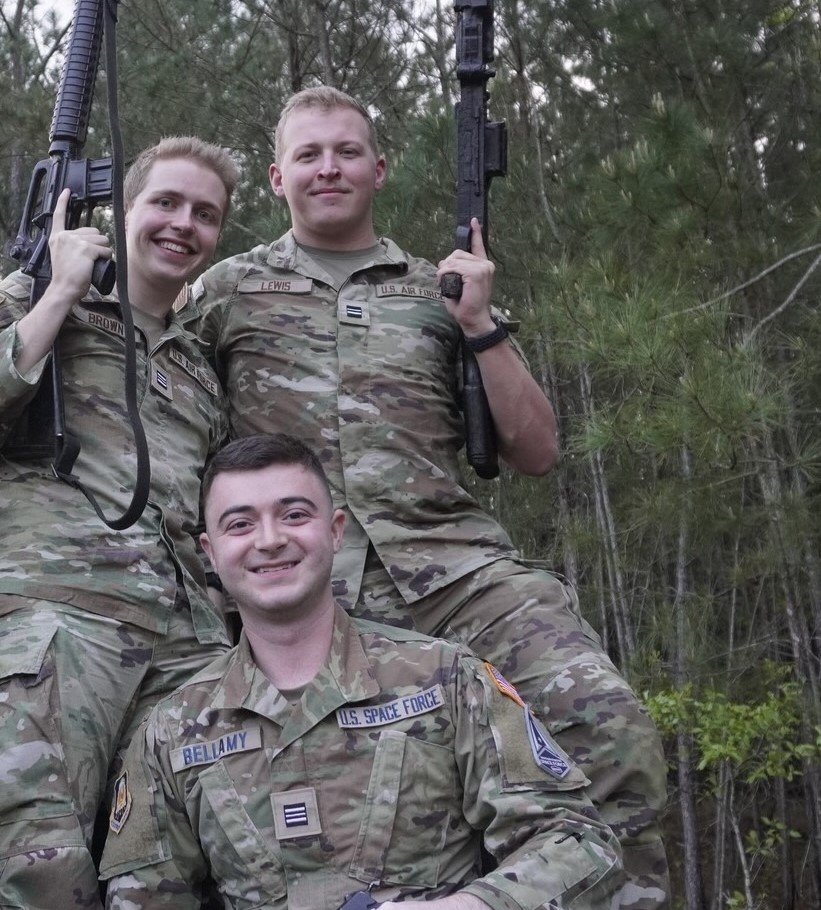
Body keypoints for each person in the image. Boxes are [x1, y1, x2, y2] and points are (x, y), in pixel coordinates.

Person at [192, 86, 668, 908]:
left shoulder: (438, 290)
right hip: (306, 593)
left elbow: (537, 450)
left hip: (457, 574)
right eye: (307, 155)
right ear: (277, 177)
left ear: (380, 167)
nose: (328, 168)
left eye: (345, 151)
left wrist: (480, 326)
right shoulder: (225, 292)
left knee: (608, 724)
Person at [100, 433, 623, 909]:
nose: (269, 539)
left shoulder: (446, 680)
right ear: (210, 554)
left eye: (294, 515)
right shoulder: (171, 732)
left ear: (335, 532)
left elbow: (578, 842)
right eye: (240, 524)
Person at [0, 137, 238, 910]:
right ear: (124, 210)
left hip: (183, 644)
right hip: (52, 620)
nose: (182, 225)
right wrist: (59, 295)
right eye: (164, 203)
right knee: (42, 868)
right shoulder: (32, 296)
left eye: (203, 214)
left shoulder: (199, 367)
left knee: (173, 875)